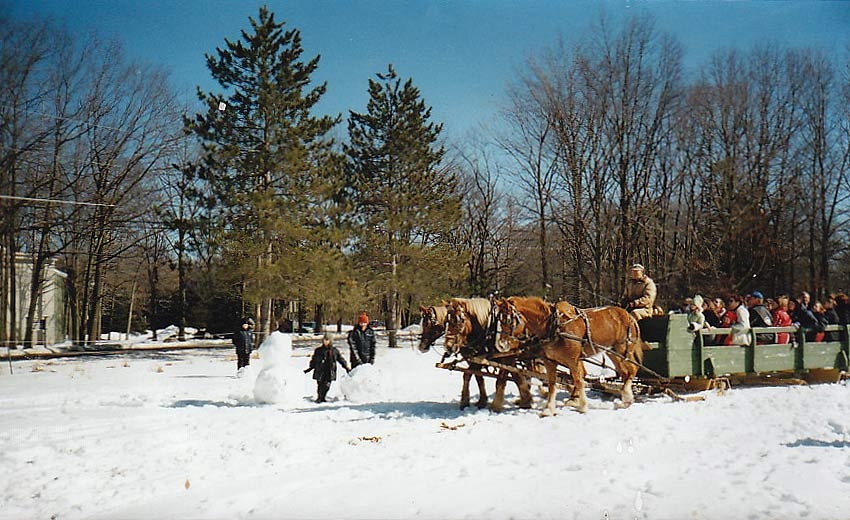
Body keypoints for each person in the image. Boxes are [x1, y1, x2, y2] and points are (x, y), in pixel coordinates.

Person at [304, 332, 350, 403]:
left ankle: (322, 397)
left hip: (329, 371)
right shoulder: (318, 350)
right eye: (324, 340)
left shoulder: (334, 351)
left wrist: (346, 367)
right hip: (320, 370)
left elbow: (341, 359)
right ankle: (320, 398)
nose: (325, 341)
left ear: (330, 341)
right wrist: (310, 368)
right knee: (320, 385)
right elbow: (314, 360)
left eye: (327, 340)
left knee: (326, 386)